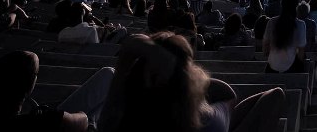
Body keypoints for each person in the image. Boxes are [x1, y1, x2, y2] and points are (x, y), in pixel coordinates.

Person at [98, 33, 286, 132]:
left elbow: (131, 45)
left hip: (222, 113)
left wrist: (156, 55)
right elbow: (132, 44)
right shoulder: (184, 114)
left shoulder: (119, 114)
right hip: (223, 121)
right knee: (276, 95)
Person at [0, 50, 113, 132]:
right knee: (108, 75)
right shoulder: (41, 122)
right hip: (75, 125)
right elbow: (83, 120)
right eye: (35, 74)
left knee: (108, 76)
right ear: (26, 85)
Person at [262, 0, 306, 73]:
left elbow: (265, 46)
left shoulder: (271, 22)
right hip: (291, 67)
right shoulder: (300, 24)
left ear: (282, 4)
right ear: (296, 5)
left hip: (272, 66)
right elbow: (301, 52)